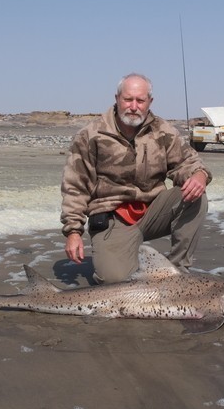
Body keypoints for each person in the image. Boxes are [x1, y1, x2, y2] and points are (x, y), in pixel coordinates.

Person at [61, 73, 211, 283]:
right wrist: (73, 231)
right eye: (128, 99)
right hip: (113, 220)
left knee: (196, 194)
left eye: (140, 101)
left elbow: (188, 163)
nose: (133, 106)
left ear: (149, 102)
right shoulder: (91, 135)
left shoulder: (163, 131)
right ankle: (118, 261)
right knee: (116, 282)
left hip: (152, 213)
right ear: (117, 99)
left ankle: (177, 274)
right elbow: (75, 186)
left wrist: (199, 175)